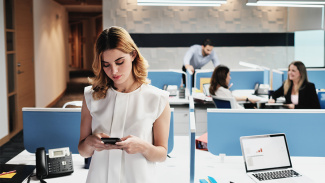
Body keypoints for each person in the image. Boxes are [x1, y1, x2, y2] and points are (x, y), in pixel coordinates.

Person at [78, 26, 171, 183]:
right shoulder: (91, 96)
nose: (114, 70)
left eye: (119, 62)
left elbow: (162, 155)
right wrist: (90, 142)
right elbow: (83, 152)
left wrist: (143, 146)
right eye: (106, 64)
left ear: (133, 55)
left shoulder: (157, 98)